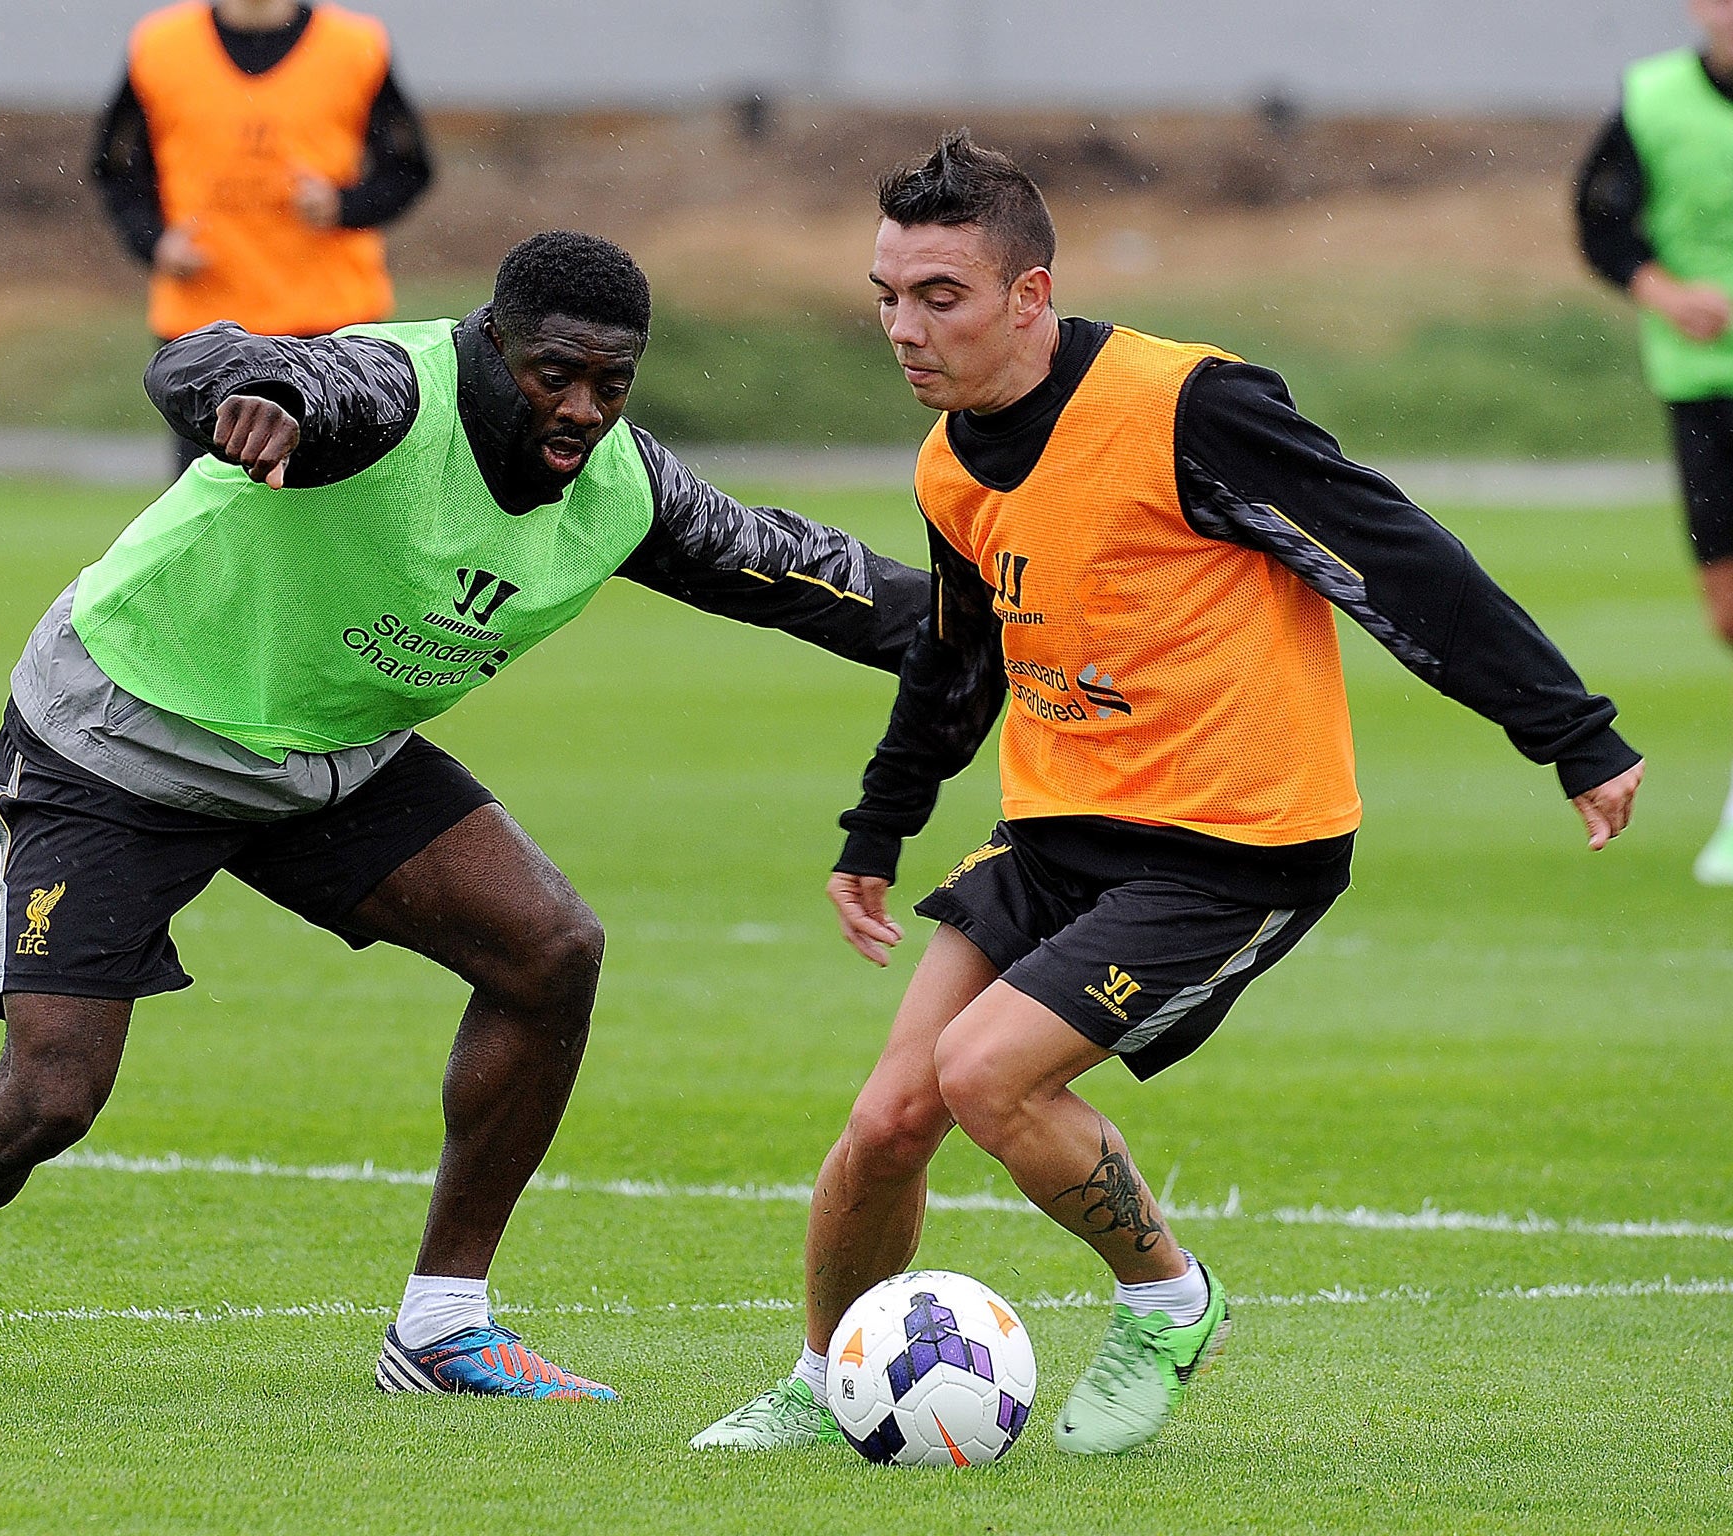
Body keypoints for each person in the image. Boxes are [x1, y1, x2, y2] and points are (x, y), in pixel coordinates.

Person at [0, 231, 927, 1400]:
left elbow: (813, 578)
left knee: (548, 949)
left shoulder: (622, 490)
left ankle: (441, 1324)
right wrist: (254, 392)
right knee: (48, 1097)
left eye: (608, 383)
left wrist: (1019, 625)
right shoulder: (389, 393)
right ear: (487, 344)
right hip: (120, 743)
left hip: (323, 757)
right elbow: (204, 360)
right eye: (549, 374)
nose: (577, 408)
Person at [693, 132, 1643, 1456]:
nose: (903, 329)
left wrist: (1569, 730)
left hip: (1233, 850)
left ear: (1031, 295)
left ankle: (1167, 1301)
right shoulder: (952, 464)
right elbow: (961, 662)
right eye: (886, 297)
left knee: (985, 1079)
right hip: (1059, 836)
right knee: (887, 1122)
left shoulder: (1191, 404)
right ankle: (829, 1376)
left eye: (939, 297)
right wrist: (879, 827)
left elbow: (1389, 550)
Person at [92, 0, 433, 474]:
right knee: (210, 510)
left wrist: (342, 205)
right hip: (204, 327)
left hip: (331, 325)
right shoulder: (161, 46)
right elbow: (116, 167)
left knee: (337, 515)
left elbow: (409, 168)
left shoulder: (355, 46)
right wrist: (154, 242)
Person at [1576, 0, 1733, 885]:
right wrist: (1669, 294)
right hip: (1702, 386)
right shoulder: (1654, 99)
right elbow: (1601, 225)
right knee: (1727, 613)